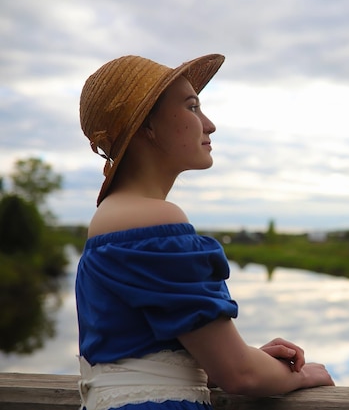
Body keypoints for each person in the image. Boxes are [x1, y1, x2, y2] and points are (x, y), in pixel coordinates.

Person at [75, 54, 335, 410]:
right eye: (192, 107)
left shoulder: (114, 217)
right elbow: (240, 376)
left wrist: (236, 354)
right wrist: (303, 376)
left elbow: (145, 351)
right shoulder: (152, 220)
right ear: (146, 126)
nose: (209, 125)